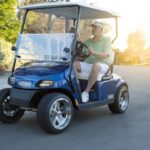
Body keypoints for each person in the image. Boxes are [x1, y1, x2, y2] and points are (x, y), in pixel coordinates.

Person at [74, 20, 114, 103]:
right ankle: (76, 89)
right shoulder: (88, 41)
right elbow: (82, 55)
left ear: (101, 29)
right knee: (74, 65)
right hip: (89, 64)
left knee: (96, 65)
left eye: (96, 27)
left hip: (103, 66)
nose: (93, 29)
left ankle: (86, 92)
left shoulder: (106, 41)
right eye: (93, 27)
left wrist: (94, 52)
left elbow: (105, 54)